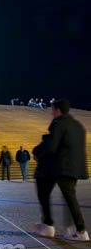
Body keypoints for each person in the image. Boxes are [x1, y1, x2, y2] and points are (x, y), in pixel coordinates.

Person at [33, 99, 89, 241]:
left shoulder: (59, 123)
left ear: (57, 110)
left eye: (53, 110)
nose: (52, 113)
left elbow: (52, 146)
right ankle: (77, 230)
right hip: (74, 166)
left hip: (60, 166)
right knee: (69, 197)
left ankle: (51, 225)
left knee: (43, 190)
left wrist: (37, 152)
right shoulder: (78, 125)